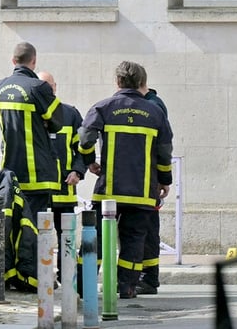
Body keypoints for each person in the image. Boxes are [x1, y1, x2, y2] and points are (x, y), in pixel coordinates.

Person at [78, 61, 173, 299]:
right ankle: (127, 287)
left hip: (109, 189)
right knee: (133, 241)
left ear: (118, 82)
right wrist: (164, 180)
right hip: (141, 193)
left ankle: (83, 286)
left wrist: (89, 160)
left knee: (96, 237)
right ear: (142, 84)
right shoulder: (155, 112)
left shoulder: (103, 107)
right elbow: (164, 152)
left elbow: (85, 138)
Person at [0, 42, 63, 223]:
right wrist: (44, 122)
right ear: (34, 61)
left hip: (9, 170)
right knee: (33, 228)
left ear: (13, 60)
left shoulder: (0, 87)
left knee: (12, 224)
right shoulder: (39, 87)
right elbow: (58, 122)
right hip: (36, 174)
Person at [37, 71, 86, 273]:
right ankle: (40, 276)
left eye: (49, 86)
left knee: (66, 235)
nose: (47, 90)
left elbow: (83, 148)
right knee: (37, 235)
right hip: (38, 189)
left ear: (55, 87)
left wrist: (78, 171)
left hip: (64, 190)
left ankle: (66, 275)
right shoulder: (30, 114)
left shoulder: (70, 114)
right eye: (42, 86)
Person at [136, 80, 170, 295]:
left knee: (147, 230)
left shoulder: (153, 105)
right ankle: (144, 276)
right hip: (140, 178)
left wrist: (163, 178)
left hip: (148, 179)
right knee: (141, 230)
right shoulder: (147, 104)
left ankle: (148, 277)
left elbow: (162, 145)